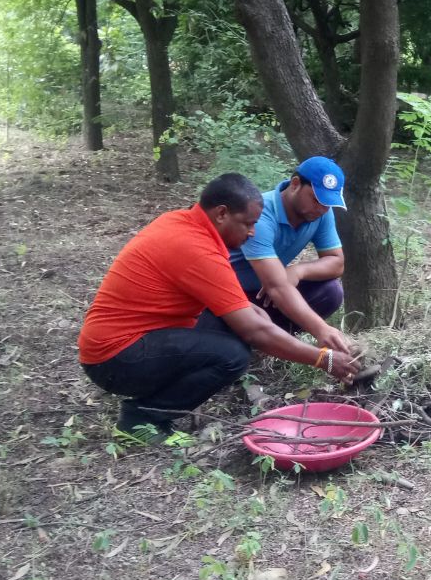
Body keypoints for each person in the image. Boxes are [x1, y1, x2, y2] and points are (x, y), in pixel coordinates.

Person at [78, 172, 360, 436]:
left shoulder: (185, 224)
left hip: (136, 338)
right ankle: (141, 419)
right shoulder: (194, 247)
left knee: (235, 329)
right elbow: (255, 332)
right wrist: (323, 358)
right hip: (114, 358)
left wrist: (251, 311)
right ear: (222, 213)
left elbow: (237, 307)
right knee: (232, 355)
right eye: (247, 224)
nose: (252, 232)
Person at [229, 156, 351, 352]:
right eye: (317, 199)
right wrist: (321, 330)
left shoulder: (322, 214)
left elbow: (337, 263)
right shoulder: (260, 215)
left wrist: (297, 271)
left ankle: (270, 342)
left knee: (330, 292)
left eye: (328, 203)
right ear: (295, 184)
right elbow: (276, 287)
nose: (322, 208)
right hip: (233, 296)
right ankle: (252, 341)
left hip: (269, 292)